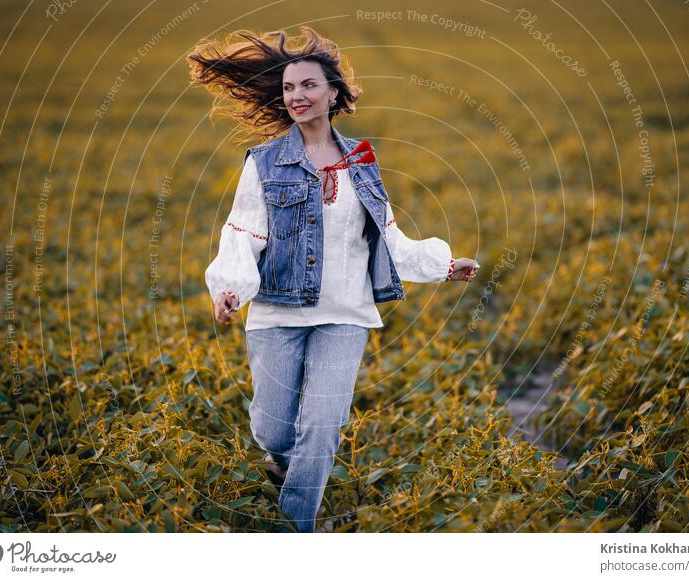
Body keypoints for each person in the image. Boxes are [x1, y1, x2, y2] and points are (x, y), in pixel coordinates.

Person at [188, 26, 479, 532]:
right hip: (278, 310)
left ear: (334, 92)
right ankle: (281, 463)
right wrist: (230, 288)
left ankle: (295, 530)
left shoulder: (362, 161)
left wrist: (441, 266)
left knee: (322, 427)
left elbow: (386, 232)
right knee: (274, 428)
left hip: (345, 313)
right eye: (288, 88)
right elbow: (244, 232)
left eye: (308, 86)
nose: (297, 96)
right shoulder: (265, 163)